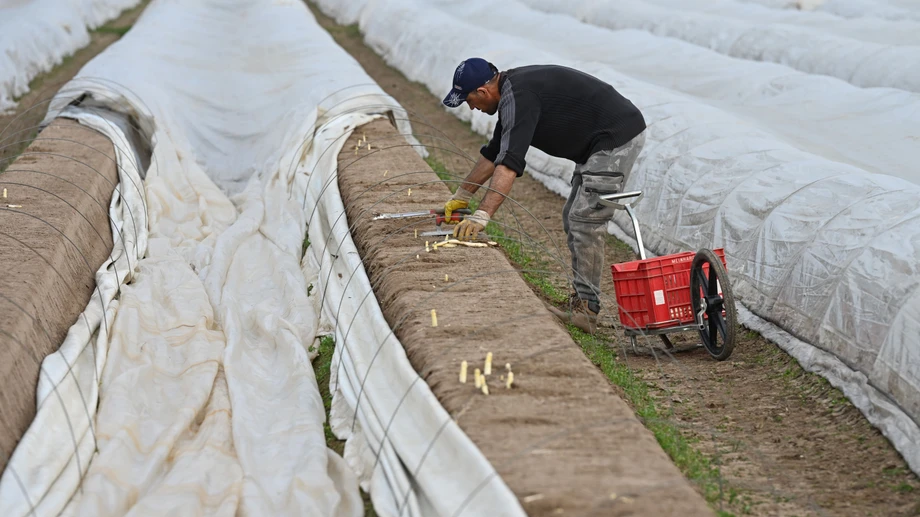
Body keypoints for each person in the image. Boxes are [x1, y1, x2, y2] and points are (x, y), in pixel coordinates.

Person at [440, 57, 647, 334]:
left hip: (615, 137)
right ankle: (583, 301)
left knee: (585, 220)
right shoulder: (512, 95)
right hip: (596, 142)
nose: (472, 108)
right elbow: (495, 153)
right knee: (572, 217)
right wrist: (462, 195)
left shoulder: (520, 96)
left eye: (469, 100)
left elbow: (509, 163)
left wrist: (482, 215)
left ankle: (587, 310)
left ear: (483, 91)